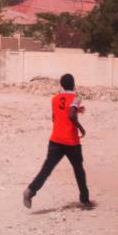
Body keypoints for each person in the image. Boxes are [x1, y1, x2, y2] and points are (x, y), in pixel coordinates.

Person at [23, 73, 92, 209]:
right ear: (73, 84)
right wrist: (80, 128)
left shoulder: (54, 99)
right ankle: (84, 199)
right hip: (71, 142)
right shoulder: (76, 97)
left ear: (61, 84)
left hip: (55, 140)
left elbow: (56, 117)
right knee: (79, 170)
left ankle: (30, 191)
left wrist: (76, 111)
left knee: (47, 169)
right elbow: (70, 114)